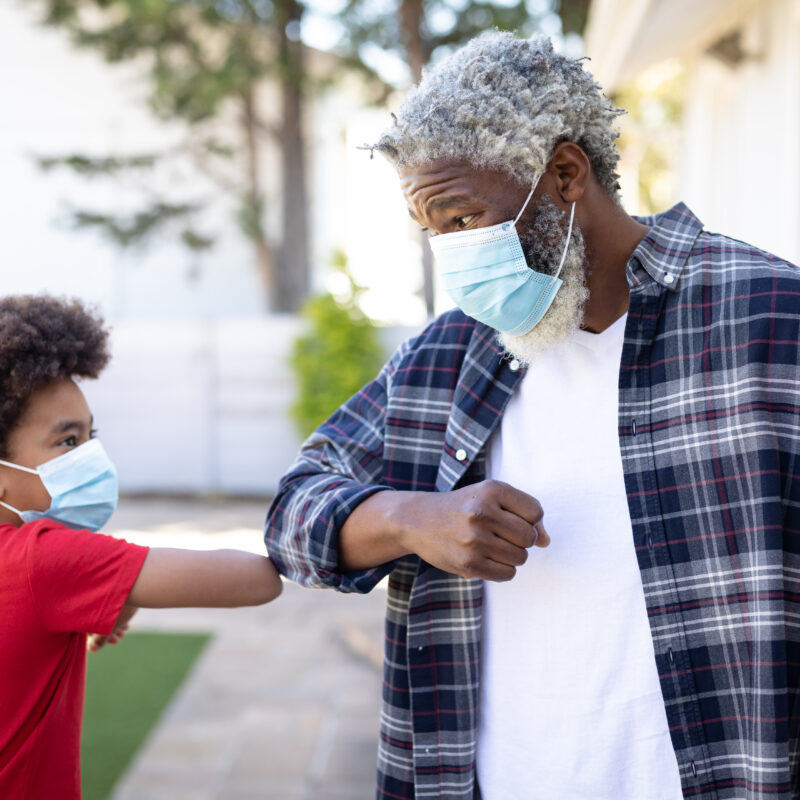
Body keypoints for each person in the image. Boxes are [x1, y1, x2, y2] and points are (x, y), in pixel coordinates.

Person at [265, 31, 800, 800]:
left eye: (461, 218)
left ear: (564, 173)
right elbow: (293, 511)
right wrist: (411, 518)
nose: (450, 252)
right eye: (431, 230)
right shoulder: (449, 358)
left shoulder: (769, 318)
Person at [0, 294, 283, 799]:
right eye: (68, 442)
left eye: (91, 436)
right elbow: (256, 579)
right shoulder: (41, 559)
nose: (91, 456)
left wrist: (111, 594)